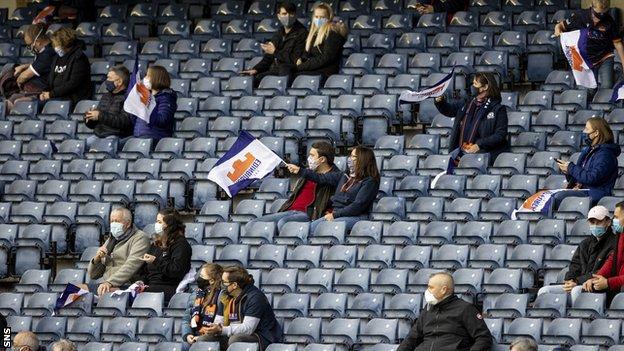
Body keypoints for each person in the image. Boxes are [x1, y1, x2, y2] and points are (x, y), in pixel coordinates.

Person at [246, 142, 341, 232]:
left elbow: (321, 179)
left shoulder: (337, 176)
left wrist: (300, 171)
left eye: (312, 155)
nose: (309, 158)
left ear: (322, 159)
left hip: (308, 214)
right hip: (289, 211)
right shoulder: (308, 173)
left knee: (283, 223)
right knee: (252, 224)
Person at [287, 146, 380, 233]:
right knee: (308, 229)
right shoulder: (344, 175)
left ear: (363, 160)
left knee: (314, 229)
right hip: (337, 214)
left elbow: (357, 206)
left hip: (356, 217)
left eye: (353, 156)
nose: (350, 159)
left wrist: (335, 215)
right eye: (350, 156)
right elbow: (321, 178)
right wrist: (300, 170)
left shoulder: (370, 181)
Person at [537, 205, 615, 305]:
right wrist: (570, 280)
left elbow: (604, 271)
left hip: (598, 286)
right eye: (592, 222)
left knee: (576, 290)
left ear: (608, 222)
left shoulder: (614, 243)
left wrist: (577, 281)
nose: (595, 225)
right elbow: (575, 265)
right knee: (544, 291)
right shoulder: (585, 243)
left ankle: (575, 319)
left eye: (599, 222)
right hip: (578, 283)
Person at [397, 272, 493, 351]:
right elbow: (411, 338)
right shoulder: (428, 309)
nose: (427, 291)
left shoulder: (465, 309)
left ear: (443, 290)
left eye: (431, 287)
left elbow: (483, 338)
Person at [196, 266, 283, 351]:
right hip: (233, 333)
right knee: (204, 339)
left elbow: (248, 329)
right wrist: (214, 328)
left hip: (261, 336)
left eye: (224, 282)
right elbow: (219, 320)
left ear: (234, 285)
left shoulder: (255, 297)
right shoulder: (225, 295)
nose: (221, 284)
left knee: (236, 340)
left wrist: (222, 330)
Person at [434, 72, 509, 165]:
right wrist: (440, 101)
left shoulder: (498, 109)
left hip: (484, 155)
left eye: (475, 84)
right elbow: (449, 110)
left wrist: (479, 145)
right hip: (461, 151)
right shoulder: (466, 103)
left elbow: (500, 135)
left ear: (485, 87)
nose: (472, 86)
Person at [554, 0, 624, 89]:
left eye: (604, 14)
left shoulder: (609, 21)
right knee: (588, 89)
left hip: (605, 57)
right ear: (591, 7)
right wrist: (558, 32)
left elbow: (617, 43)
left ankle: (615, 74)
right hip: (585, 59)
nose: (600, 18)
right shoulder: (580, 16)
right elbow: (560, 26)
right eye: (598, 14)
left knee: (607, 87)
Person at [554, 117, 620, 207]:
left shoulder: (606, 155)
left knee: (559, 197)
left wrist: (571, 168)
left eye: (587, 129)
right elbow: (582, 176)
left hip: (596, 194)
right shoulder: (589, 150)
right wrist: (568, 172)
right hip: (585, 191)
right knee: (549, 195)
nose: (584, 132)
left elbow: (591, 177)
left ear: (596, 133)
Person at [240, 1, 307, 86]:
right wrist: (256, 69)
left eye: (291, 13)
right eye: (284, 13)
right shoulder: (279, 32)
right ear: (279, 16)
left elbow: (295, 60)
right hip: (276, 70)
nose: (288, 16)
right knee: (254, 79)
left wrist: (275, 52)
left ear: (295, 15)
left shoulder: (302, 33)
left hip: (289, 71)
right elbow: (268, 57)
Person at [86, 207, 150, 296]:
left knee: (103, 293)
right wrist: (97, 258)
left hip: (127, 284)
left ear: (128, 224)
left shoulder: (140, 238)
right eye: (112, 221)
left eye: (117, 221)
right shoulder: (112, 238)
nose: (114, 224)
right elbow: (93, 275)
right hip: (106, 283)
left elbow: (131, 266)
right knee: (74, 290)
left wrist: (110, 282)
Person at [137, 208, 192, 302]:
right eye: (156, 221)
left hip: (168, 287)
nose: (156, 225)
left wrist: (156, 261)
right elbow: (145, 271)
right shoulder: (156, 244)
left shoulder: (181, 244)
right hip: (150, 285)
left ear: (169, 225)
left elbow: (176, 270)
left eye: (159, 222)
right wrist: (141, 281)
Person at [5, 23, 55, 110]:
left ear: (38, 42)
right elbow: (39, 65)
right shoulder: (45, 51)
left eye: (30, 45)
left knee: (17, 102)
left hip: (42, 92)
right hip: (36, 90)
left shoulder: (48, 53)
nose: (30, 47)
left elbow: (23, 77)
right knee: (9, 101)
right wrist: (24, 66)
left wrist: (18, 81)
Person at [295, 3, 347, 83]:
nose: (318, 19)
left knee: (294, 75)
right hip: (314, 69)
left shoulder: (332, 33)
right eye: (316, 17)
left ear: (328, 18)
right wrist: (301, 59)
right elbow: (307, 53)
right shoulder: (313, 34)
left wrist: (302, 66)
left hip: (326, 73)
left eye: (322, 17)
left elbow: (326, 58)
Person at [39, 27, 92, 105]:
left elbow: (72, 84)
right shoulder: (57, 57)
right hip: (56, 96)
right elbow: (51, 78)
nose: (55, 47)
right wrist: (46, 90)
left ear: (65, 43)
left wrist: (51, 94)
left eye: (57, 44)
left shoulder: (79, 58)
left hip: (73, 98)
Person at [583, 201, 624, 297]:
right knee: (586, 289)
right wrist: (595, 278)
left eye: (617, 217)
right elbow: (613, 259)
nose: (614, 220)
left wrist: (609, 282)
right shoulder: (621, 234)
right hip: (616, 283)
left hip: (619, 285)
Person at [85, 65, 134, 143]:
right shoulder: (105, 96)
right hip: (97, 135)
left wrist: (99, 115)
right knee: (78, 148)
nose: (106, 81)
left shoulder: (129, 98)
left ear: (119, 82)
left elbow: (124, 121)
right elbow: (96, 122)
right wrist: (90, 118)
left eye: (110, 78)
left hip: (114, 136)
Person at [132, 65, 177, 144]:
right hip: (139, 136)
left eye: (148, 76)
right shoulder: (146, 96)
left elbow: (162, 120)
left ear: (157, 78)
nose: (145, 78)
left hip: (155, 138)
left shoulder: (166, 97)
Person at [183, 263, 224, 347]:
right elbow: (186, 318)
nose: (199, 278)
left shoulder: (221, 295)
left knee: (201, 341)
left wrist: (203, 336)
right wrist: (187, 334)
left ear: (211, 280)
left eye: (202, 276)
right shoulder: (196, 294)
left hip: (213, 335)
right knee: (185, 343)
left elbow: (221, 323)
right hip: (194, 333)